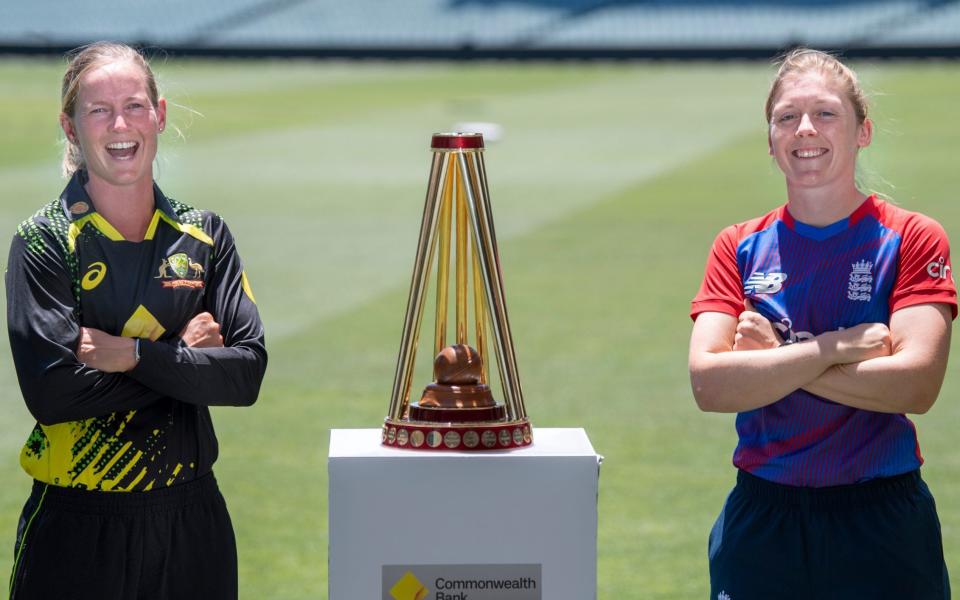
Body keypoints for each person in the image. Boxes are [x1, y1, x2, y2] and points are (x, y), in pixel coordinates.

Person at [5, 42, 267, 599]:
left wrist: (135, 354)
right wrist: (186, 357)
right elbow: (53, 396)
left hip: (192, 521)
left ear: (160, 115)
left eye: (134, 105)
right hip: (76, 526)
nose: (119, 124)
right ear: (71, 129)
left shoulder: (205, 236)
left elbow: (244, 375)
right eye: (98, 110)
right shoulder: (44, 242)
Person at [688, 48, 953, 599]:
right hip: (763, 519)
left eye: (826, 113)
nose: (804, 129)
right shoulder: (737, 246)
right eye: (786, 117)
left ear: (863, 131)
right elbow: (710, 385)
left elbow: (916, 384)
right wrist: (837, 347)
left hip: (881, 519)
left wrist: (769, 357)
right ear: (770, 139)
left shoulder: (912, 237)